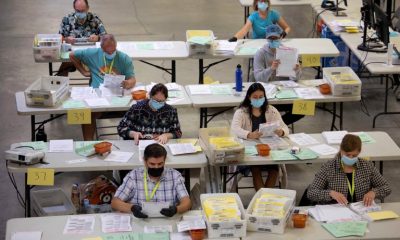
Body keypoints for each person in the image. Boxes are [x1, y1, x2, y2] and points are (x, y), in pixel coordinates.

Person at [70, 34, 136, 140]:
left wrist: (128, 83)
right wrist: (84, 72)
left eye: (113, 50)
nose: (110, 53)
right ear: (101, 48)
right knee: (87, 113)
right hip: (98, 93)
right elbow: (72, 55)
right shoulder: (93, 53)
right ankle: (88, 142)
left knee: (135, 110)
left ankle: (132, 138)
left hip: (117, 93)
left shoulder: (124, 58)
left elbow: (132, 79)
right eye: (107, 51)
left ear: (116, 46)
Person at [231, 82, 289, 190]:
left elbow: (285, 128)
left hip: (269, 148)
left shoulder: (271, 110)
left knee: (274, 168)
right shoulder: (241, 112)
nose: (258, 99)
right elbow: (235, 129)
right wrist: (249, 134)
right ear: (249, 97)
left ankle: (264, 199)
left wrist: (281, 132)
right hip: (251, 150)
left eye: (261, 97)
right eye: (255, 97)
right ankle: (263, 199)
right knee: (255, 168)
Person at [307, 134, 391, 206]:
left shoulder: (367, 166)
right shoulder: (329, 167)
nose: (350, 158)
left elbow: (386, 187)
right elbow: (311, 192)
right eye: (347, 155)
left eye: (354, 155)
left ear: (359, 152)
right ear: (341, 150)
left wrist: (374, 192)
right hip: (335, 211)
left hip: (361, 210)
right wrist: (330, 193)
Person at [111, 143, 191, 218]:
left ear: (165, 160)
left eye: (160, 164)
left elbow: (187, 202)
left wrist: (176, 209)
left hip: (167, 220)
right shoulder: (134, 176)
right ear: (145, 161)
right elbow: (115, 203)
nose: (156, 167)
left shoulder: (175, 176)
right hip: (140, 221)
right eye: (152, 164)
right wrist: (132, 208)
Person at [253, 24, 303, 125]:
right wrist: (271, 69)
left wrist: (296, 70)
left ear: (281, 37)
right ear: (266, 39)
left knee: (303, 108)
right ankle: (274, 126)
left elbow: (296, 79)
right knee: (262, 110)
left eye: (275, 38)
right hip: (268, 95)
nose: (272, 41)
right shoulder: (260, 53)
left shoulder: (289, 52)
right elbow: (258, 77)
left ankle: (278, 125)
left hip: (284, 92)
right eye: (270, 38)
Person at [118, 83, 182, 145]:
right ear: (149, 96)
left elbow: (178, 133)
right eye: (156, 100)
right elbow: (121, 128)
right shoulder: (137, 109)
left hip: (160, 145)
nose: (158, 103)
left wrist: (167, 135)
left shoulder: (170, 111)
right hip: (139, 144)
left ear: (166, 99)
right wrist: (133, 133)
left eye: (161, 101)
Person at [57, 0, 107, 76]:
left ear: (88, 8)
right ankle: (60, 85)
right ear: (74, 8)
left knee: (100, 67)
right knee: (64, 66)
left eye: (83, 11)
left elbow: (106, 37)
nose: (80, 13)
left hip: (90, 54)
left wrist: (98, 38)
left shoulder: (95, 19)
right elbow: (59, 38)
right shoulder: (67, 19)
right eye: (78, 11)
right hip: (72, 54)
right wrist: (66, 39)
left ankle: (95, 83)